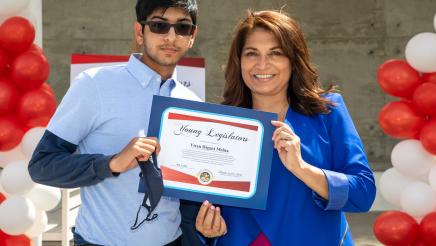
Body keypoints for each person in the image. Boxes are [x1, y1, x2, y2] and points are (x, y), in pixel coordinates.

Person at [28, 0, 226, 245]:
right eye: (159, 26)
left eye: (183, 28)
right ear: (139, 32)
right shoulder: (95, 84)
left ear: (192, 36)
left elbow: (189, 195)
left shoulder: (193, 104)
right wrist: (111, 163)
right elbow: (42, 165)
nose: (171, 36)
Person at [219, 10, 376, 245]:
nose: (262, 64)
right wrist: (206, 231)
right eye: (252, 53)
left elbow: (363, 193)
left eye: (276, 53)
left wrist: (302, 168)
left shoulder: (328, 112)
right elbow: (204, 207)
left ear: (293, 59)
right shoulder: (220, 124)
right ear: (239, 60)